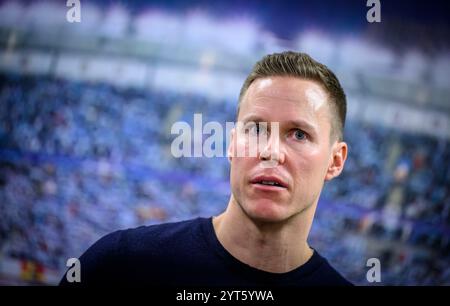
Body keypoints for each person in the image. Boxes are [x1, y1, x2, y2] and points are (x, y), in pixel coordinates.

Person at [60, 51, 351, 286]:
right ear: (232, 143)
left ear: (335, 161)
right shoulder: (120, 266)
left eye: (299, 134)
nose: (270, 151)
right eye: (256, 129)